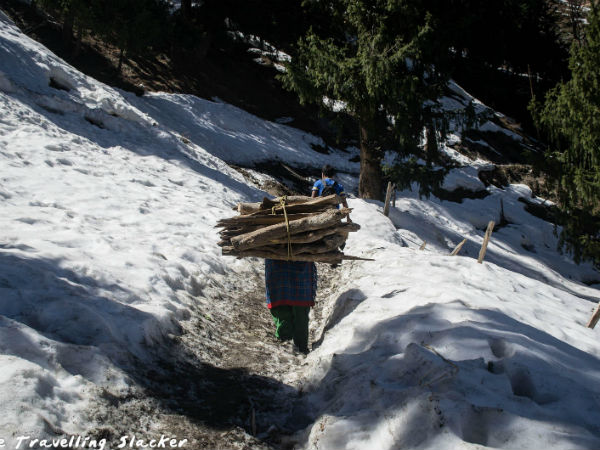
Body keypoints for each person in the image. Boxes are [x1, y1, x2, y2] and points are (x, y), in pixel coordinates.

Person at [265, 258, 316, 354]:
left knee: (287, 305)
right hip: (296, 259)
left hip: (283, 261)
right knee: (290, 307)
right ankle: (291, 344)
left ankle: (288, 342)